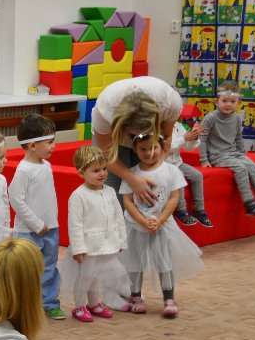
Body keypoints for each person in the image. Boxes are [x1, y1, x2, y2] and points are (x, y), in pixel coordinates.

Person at [120, 133, 205, 317]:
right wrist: (143, 221)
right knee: (134, 262)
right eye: (143, 149)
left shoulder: (171, 171)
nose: (149, 153)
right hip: (135, 226)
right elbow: (127, 201)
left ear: (161, 147)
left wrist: (160, 220)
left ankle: (169, 299)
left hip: (162, 224)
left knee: (164, 261)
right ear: (135, 149)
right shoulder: (132, 174)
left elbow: (174, 198)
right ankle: (135, 297)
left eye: (153, 148)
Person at [60, 146, 129, 322]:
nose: (102, 173)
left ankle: (94, 304)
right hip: (88, 246)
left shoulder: (110, 191)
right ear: (81, 173)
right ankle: (78, 306)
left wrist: (121, 240)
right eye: (96, 170)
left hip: (106, 244)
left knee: (97, 277)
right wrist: (78, 248)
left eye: (104, 169)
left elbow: (118, 217)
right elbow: (75, 224)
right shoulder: (78, 196)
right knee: (85, 277)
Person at [91, 76, 184, 207]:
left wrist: (159, 167)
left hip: (147, 141)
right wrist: (132, 178)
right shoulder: (105, 109)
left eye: (142, 131)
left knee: (146, 191)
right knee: (114, 193)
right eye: (133, 132)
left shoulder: (170, 102)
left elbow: (167, 138)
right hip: (111, 138)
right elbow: (106, 152)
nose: (136, 136)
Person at [9, 114, 64, 319]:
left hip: (51, 229)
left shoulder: (46, 166)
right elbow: (16, 199)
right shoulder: (24, 170)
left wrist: (49, 222)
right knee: (25, 269)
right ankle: (21, 305)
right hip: (29, 231)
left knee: (49, 267)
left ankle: (48, 302)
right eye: (49, 142)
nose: (53, 146)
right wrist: (36, 223)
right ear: (32, 145)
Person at [199, 80, 255, 216]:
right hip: (217, 155)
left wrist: (242, 155)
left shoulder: (236, 119)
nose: (228, 104)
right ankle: (250, 203)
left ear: (238, 103)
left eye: (232, 101)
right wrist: (204, 160)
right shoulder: (210, 118)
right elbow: (202, 139)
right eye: (224, 101)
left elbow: (238, 138)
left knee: (252, 166)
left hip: (233, 153)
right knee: (241, 169)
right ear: (216, 101)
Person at [168, 118, 212, 227]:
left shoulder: (178, 126)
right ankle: (181, 211)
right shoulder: (159, 126)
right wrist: (184, 138)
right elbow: (165, 149)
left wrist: (194, 136)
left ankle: (199, 210)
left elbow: (188, 147)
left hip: (177, 163)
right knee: (179, 175)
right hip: (164, 164)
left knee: (197, 175)